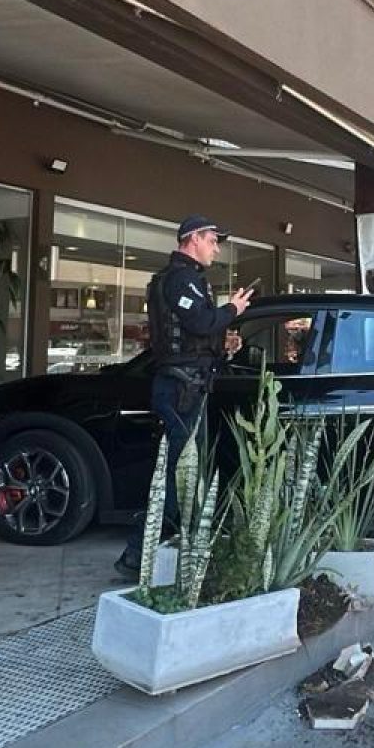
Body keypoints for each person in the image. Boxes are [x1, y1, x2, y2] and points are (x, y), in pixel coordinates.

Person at [114, 214, 253, 578]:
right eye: (212, 240)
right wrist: (232, 310)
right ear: (192, 238)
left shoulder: (190, 280)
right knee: (178, 476)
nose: (216, 248)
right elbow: (200, 323)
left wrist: (225, 345)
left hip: (190, 384)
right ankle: (138, 554)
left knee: (187, 473)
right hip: (179, 388)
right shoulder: (179, 279)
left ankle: (166, 553)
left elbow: (199, 335)